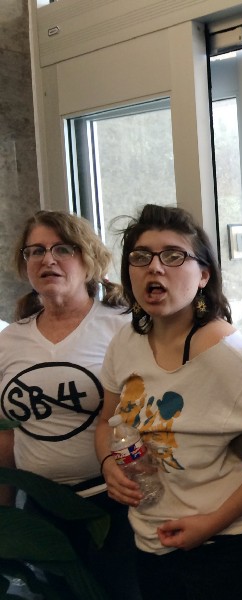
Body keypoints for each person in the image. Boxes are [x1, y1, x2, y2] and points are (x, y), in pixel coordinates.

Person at [94, 204, 242, 600]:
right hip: (150, 539)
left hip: (228, 545)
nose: (155, 267)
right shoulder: (125, 341)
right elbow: (105, 422)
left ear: (203, 275)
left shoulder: (230, 358)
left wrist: (212, 523)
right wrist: (108, 463)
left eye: (173, 256)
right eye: (141, 256)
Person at [0, 210, 139, 599]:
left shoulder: (123, 327)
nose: (48, 259)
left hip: (113, 507)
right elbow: (5, 436)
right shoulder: (9, 341)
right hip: (41, 514)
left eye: (63, 249)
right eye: (36, 251)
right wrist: (5, 516)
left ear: (89, 258)